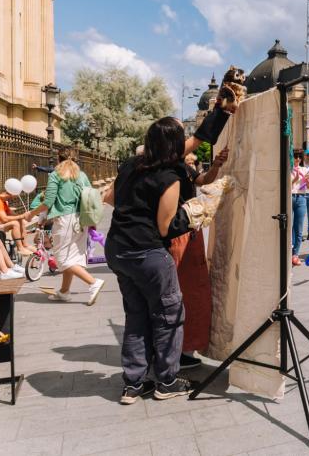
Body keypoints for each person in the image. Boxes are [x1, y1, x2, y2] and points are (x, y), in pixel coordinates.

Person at [103, 113, 226, 405]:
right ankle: (167, 381)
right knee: (168, 317)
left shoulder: (133, 165)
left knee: (136, 316)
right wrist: (195, 213)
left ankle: (133, 384)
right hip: (148, 253)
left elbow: (110, 197)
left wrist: (136, 208)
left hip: (118, 249)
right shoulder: (169, 176)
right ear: (173, 145)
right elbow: (165, 227)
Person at [168, 145, 229, 369]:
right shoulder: (166, 168)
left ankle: (183, 347)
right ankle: (179, 349)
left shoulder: (181, 167)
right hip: (179, 233)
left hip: (188, 231)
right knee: (186, 291)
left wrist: (216, 164)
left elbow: (203, 180)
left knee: (192, 292)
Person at [23, 147, 105, 305]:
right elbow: (90, 197)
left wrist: (32, 214)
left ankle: (93, 282)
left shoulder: (56, 175)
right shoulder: (81, 175)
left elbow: (48, 202)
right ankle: (64, 291)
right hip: (82, 219)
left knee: (61, 259)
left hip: (65, 220)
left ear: (59, 159)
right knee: (72, 257)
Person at [0, 189, 34, 255]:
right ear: (9, 194)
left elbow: (13, 214)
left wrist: (24, 217)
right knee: (15, 223)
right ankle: (20, 248)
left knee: (20, 220)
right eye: (13, 197)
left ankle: (25, 245)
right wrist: (22, 216)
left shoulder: (3, 202)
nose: (12, 199)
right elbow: (4, 219)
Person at [290, 151, 307, 266]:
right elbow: (289, 184)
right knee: (290, 226)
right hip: (290, 196)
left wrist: (307, 180)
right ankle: (289, 251)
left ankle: (295, 254)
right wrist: (296, 177)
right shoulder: (288, 169)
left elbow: (307, 186)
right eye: (295, 157)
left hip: (301, 197)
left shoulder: (304, 170)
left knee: (299, 227)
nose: (297, 159)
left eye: (299, 157)